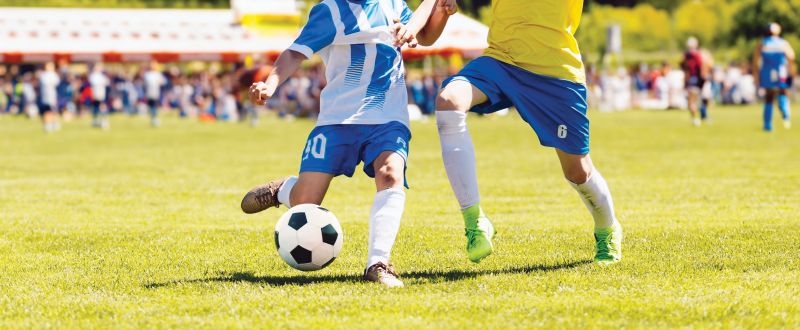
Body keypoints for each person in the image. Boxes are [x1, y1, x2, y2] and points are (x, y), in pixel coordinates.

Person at [239, 0, 452, 287]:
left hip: (388, 115)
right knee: (306, 201)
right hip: (338, 119)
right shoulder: (330, 11)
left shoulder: (393, 3)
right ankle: (285, 190)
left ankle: (378, 263)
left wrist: (441, 12)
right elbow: (294, 53)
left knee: (390, 173)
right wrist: (270, 85)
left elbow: (425, 35)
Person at [410, 0, 623, 265]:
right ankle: (475, 221)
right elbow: (430, 30)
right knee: (449, 100)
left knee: (578, 171)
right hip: (501, 61)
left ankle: (608, 228)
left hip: (555, 71)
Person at [754, 22, 795, 131]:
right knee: (783, 92)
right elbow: (791, 57)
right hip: (781, 72)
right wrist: (790, 70)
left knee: (769, 97)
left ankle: (767, 125)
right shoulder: (783, 43)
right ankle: (785, 113)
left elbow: (756, 61)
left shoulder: (763, 43)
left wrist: (756, 76)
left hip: (767, 73)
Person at [682, 37, 706, 126]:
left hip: (691, 79)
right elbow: (700, 67)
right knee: (695, 101)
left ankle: (695, 118)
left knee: (691, 102)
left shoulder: (686, 55)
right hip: (695, 79)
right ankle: (697, 118)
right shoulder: (697, 55)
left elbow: (684, 67)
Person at [38, 62, 61, 133]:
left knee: (52, 111)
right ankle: (49, 125)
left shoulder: (45, 75)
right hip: (49, 97)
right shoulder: (47, 75)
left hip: (50, 96)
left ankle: (52, 124)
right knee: (49, 111)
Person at [144, 61, 166, 127]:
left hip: (156, 93)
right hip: (149, 93)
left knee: (154, 106)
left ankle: (154, 119)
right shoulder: (147, 74)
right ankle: (153, 118)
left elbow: (163, 82)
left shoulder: (157, 74)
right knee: (151, 107)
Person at [88, 64, 110, 129]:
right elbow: (94, 83)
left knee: (102, 107)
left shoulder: (101, 76)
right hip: (96, 93)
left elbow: (107, 82)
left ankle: (103, 120)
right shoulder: (93, 76)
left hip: (101, 93)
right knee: (96, 107)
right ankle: (96, 120)